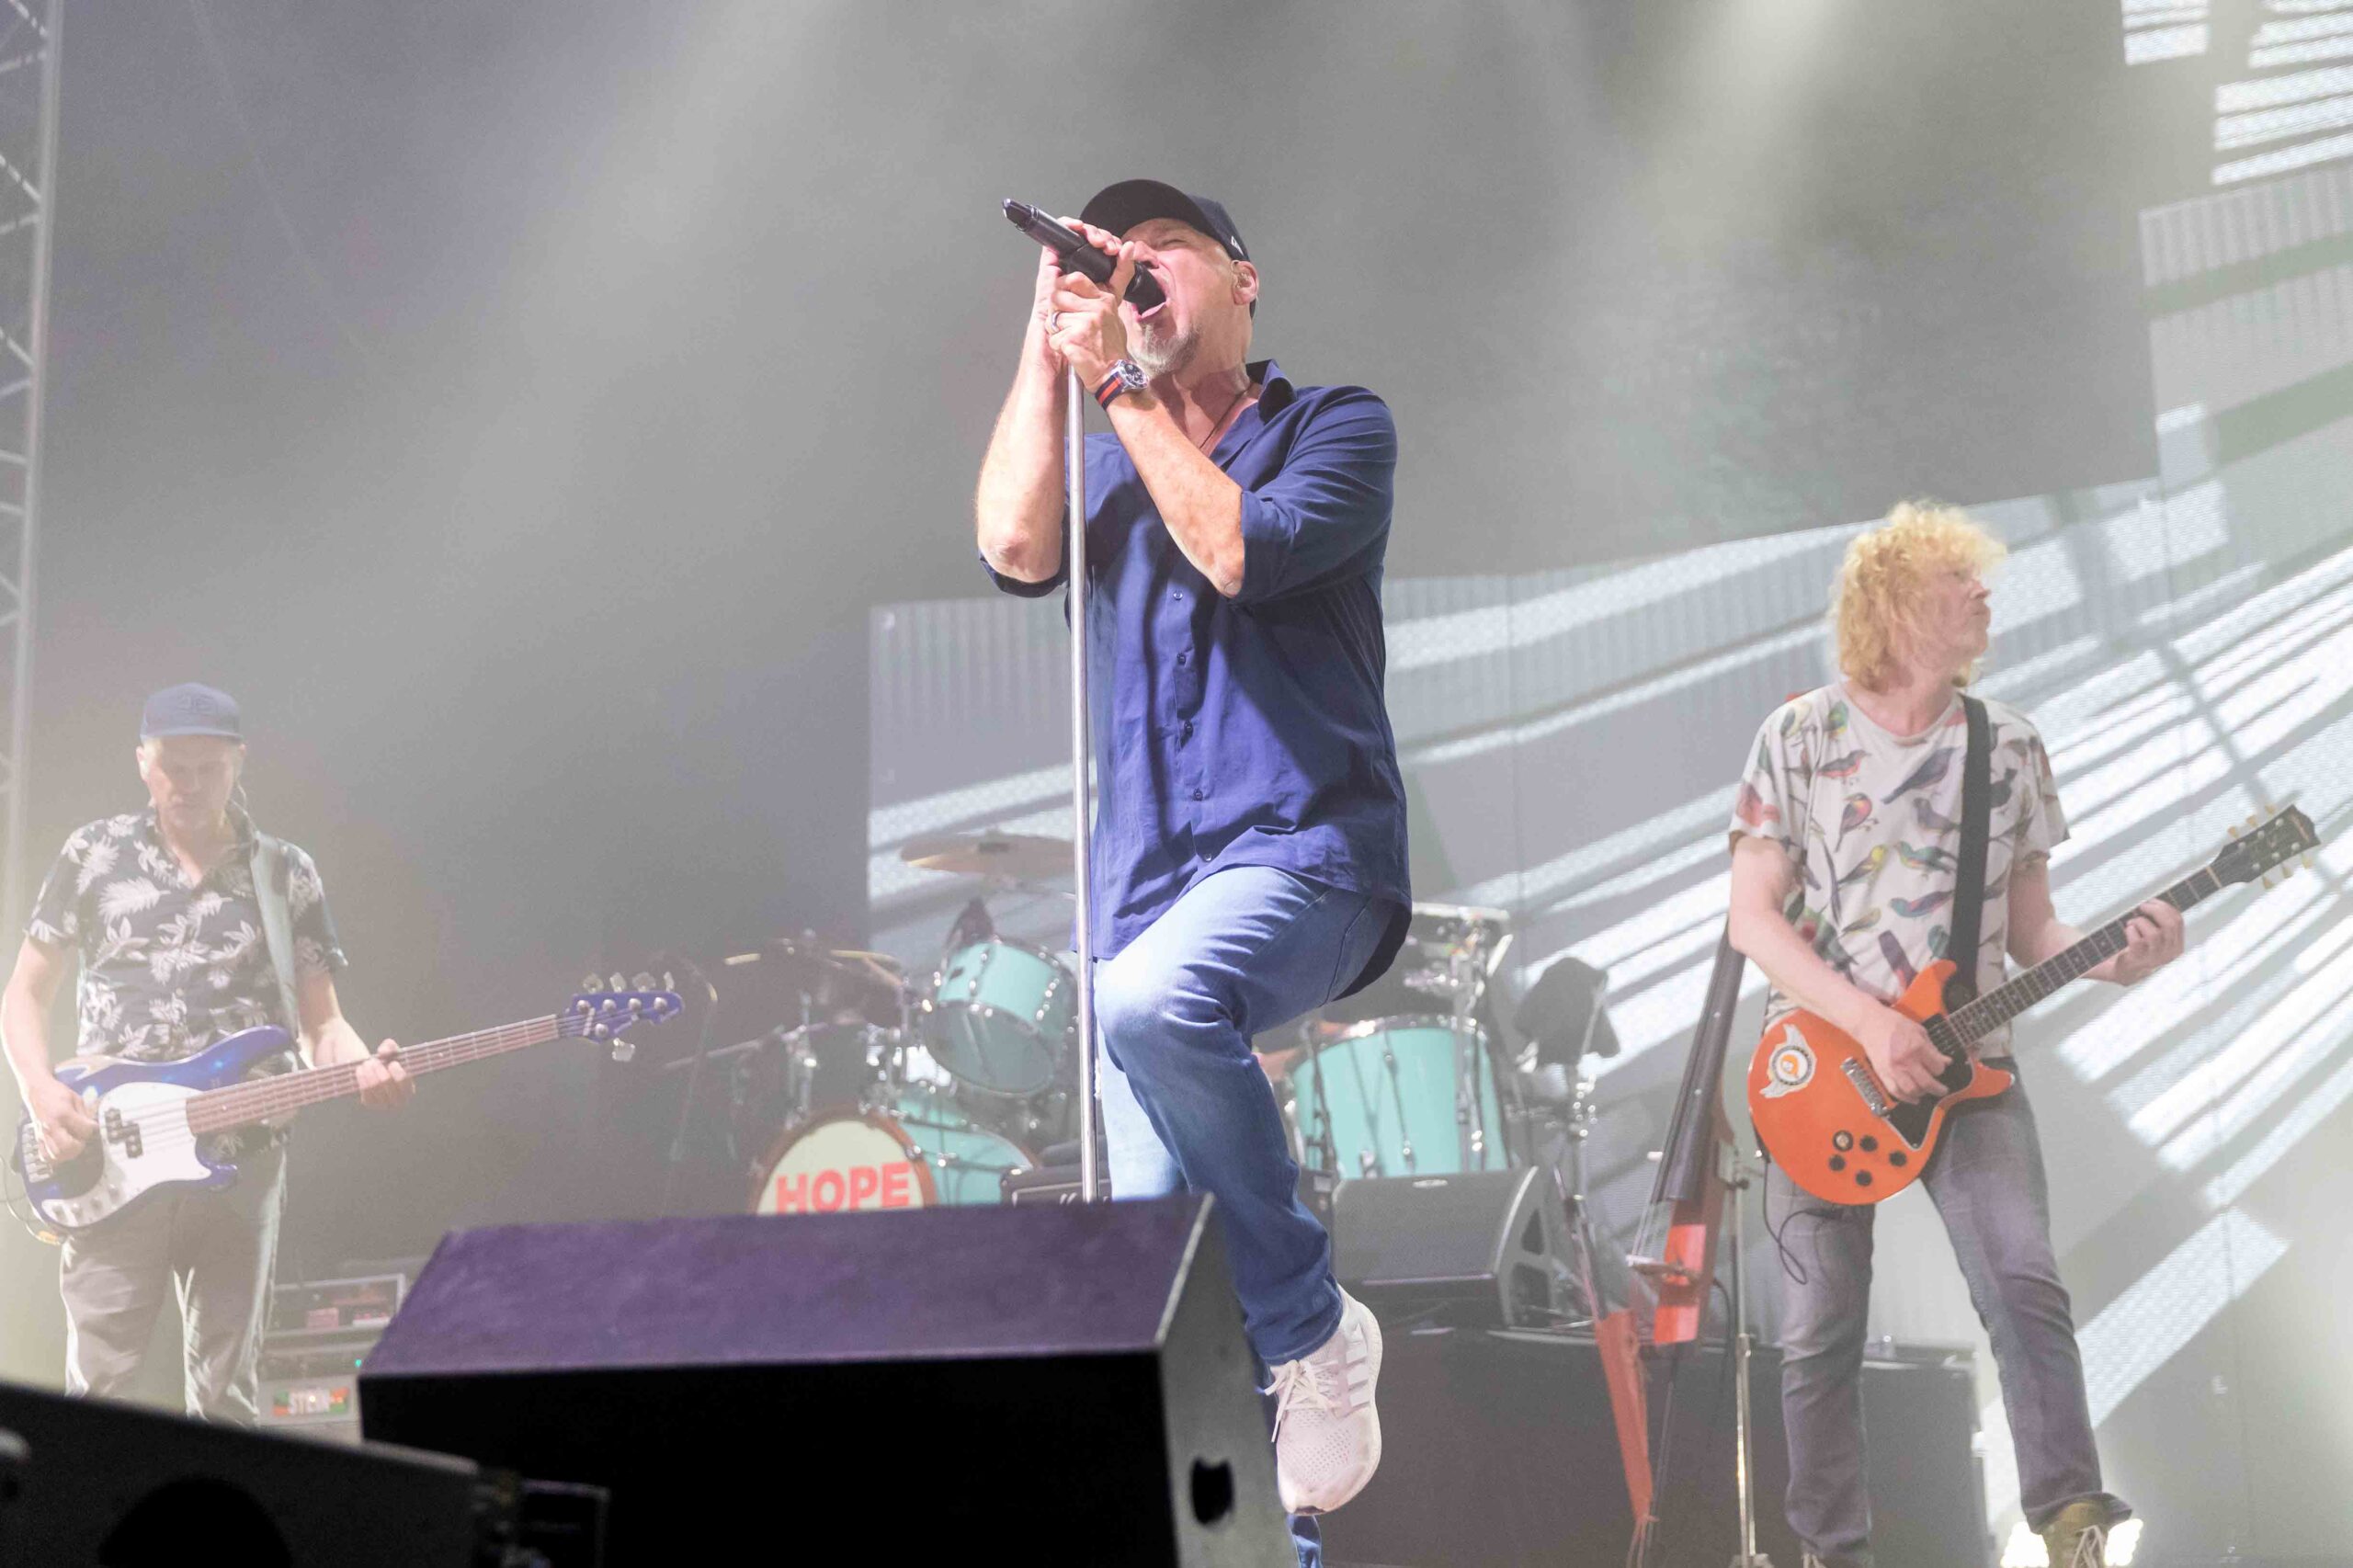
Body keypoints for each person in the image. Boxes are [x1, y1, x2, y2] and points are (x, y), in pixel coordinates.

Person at [974, 180, 1410, 1527]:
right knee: (1158, 1299)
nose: (1138, 264)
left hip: (1309, 851)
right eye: (1121, 252)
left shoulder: (1334, 425)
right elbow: (1013, 543)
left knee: (1155, 1000)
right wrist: (1049, 333)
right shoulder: (1103, 456)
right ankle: (1272, 1538)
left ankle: (1310, 1322)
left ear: (1243, 279)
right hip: (1141, 895)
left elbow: (1235, 549)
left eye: (1167, 247)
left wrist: (1119, 388)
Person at [1725, 504, 2187, 1568]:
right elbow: (1751, 918)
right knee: (1817, 1329)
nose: (1983, 592)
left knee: (2023, 1284)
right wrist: (1871, 1023)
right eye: (1957, 578)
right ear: (1892, 602)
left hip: (1971, 1067)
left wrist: (2117, 957)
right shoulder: (1798, 736)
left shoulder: (2007, 742)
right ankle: (1832, 1551)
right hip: (1820, 1070)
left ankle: (2072, 1527)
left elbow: (2034, 932)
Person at [2, 683, 413, 1423]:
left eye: (208, 769)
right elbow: (24, 994)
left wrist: (362, 1069)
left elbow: (322, 1025)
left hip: (243, 1158)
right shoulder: (94, 854)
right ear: (142, 761)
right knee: (96, 1398)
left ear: (239, 762)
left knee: (229, 1402)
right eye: (172, 767)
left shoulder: (286, 872)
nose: (188, 785)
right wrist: (39, 1090)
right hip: (111, 1153)